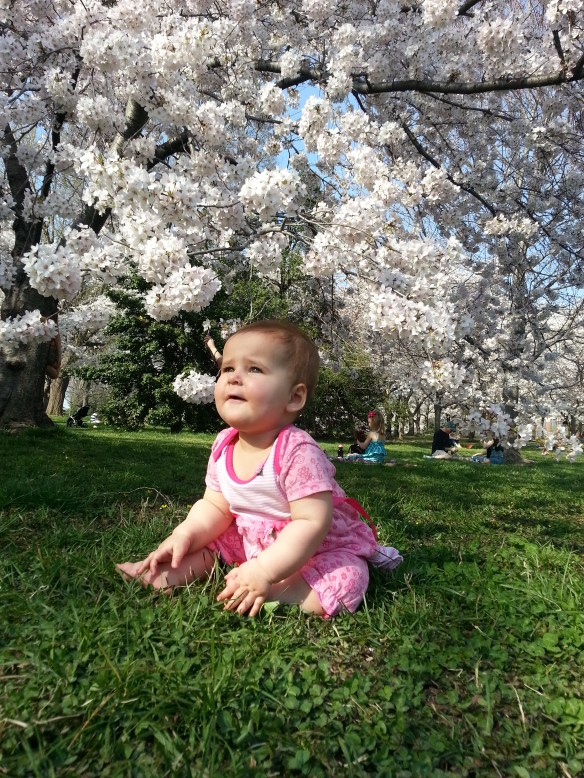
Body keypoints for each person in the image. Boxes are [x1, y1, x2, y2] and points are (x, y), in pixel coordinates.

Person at [118, 320, 402, 618]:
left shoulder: (297, 450)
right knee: (205, 543)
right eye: (227, 368)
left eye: (254, 369)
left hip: (313, 548)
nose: (234, 377)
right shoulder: (223, 444)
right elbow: (215, 506)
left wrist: (266, 570)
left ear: (294, 397)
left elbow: (311, 523)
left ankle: (277, 590)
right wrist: (184, 533)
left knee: (349, 578)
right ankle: (161, 574)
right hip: (251, 539)